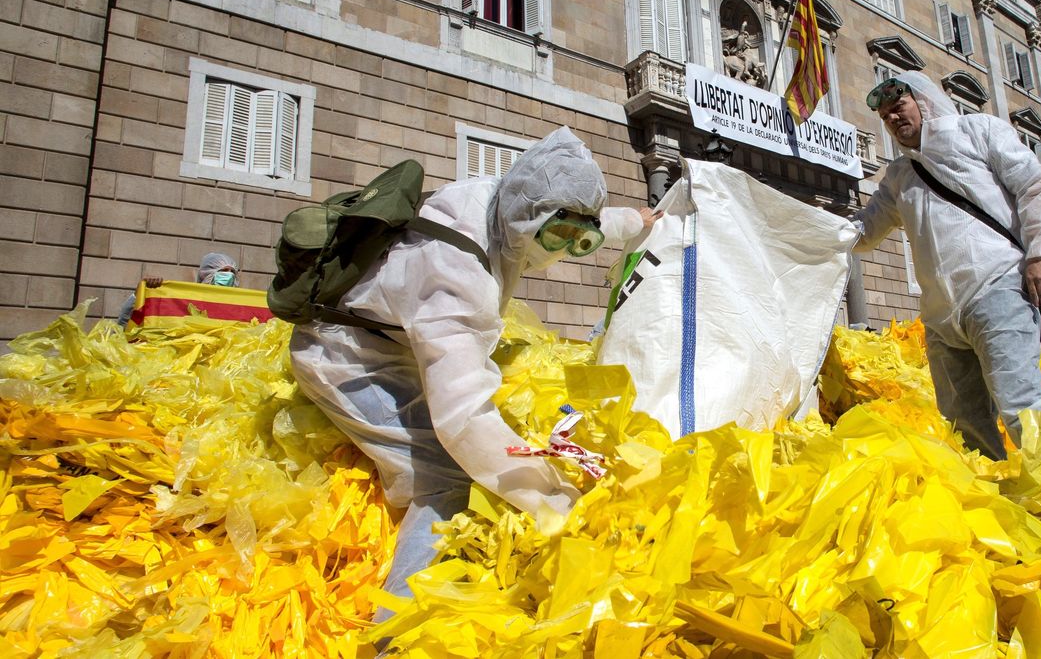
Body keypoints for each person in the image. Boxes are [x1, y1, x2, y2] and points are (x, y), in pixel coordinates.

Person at [289, 127, 658, 617]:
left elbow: (572, 216)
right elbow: (463, 419)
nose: (562, 251)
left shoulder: (497, 202)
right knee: (443, 476)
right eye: (557, 236)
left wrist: (635, 219)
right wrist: (553, 501)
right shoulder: (456, 276)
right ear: (527, 218)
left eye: (580, 241)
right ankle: (393, 634)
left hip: (393, 337)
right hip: (344, 355)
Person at [854, 71, 1041, 461]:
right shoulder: (899, 176)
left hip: (997, 288)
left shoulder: (976, 131)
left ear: (923, 101)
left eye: (898, 107)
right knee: (963, 423)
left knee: (1023, 407)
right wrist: (800, 226)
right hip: (939, 319)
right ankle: (995, 507)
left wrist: (1039, 254)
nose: (893, 119)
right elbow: (866, 230)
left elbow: (1032, 185)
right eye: (885, 117)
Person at [116, 252, 240, 326]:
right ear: (206, 273)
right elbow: (125, 325)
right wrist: (140, 295)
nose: (229, 275)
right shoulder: (184, 302)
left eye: (233, 271)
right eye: (223, 271)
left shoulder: (239, 308)